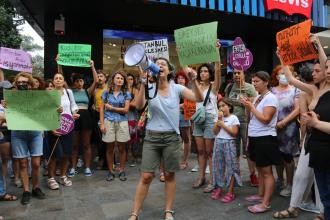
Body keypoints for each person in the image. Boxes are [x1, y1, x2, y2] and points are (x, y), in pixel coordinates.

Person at [128, 57, 203, 220]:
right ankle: (135, 213)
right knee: (146, 176)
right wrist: (142, 82)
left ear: (169, 71)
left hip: (171, 138)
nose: (160, 66)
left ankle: (168, 210)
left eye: (164, 64)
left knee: (169, 175)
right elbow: (139, 105)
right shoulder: (149, 86)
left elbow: (199, 98)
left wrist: (194, 81)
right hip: (151, 137)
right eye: (158, 64)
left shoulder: (177, 88)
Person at [277, 37, 329, 219]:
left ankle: (324, 212)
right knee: (302, 175)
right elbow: (290, 78)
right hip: (311, 141)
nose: (315, 73)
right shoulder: (313, 90)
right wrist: (282, 58)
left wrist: (318, 46)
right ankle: (293, 207)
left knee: (322, 180)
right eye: (313, 71)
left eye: (319, 70)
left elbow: (325, 62)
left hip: (326, 142)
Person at [241, 71, 281, 213]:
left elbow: (265, 119)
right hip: (255, 136)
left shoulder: (271, 98)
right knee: (260, 168)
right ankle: (260, 194)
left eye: (257, 81)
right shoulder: (258, 97)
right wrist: (247, 106)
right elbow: (252, 117)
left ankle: (266, 203)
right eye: (253, 81)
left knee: (267, 172)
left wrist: (251, 107)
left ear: (266, 82)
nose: (254, 83)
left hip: (265, 138)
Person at [9, 73, 46, 204]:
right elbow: (7, 115)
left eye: (24, 82)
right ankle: (26, 190)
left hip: (35, 133)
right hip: (18, 134)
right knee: (23, 163)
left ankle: (36, 187)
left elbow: (46, 112)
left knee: (36, 164)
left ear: (30, 85)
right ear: (16, 84)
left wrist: (56, 110)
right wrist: (6, 107)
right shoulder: (11, 98)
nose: (21, 84)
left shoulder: (38, 97)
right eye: (19, 82)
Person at [192, 55, 221, 193]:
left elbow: (218, 71)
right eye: (201, 71)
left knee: (210, 152)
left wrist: (217, 55)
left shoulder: (214, 86)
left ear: (210, 74)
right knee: (201, 151)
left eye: (206, 71)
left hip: (210, 119)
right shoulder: (195, 85)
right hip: (198, 119)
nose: (203, 73)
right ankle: (201, 176)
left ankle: (212, 179)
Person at [225, 69, 258, 186]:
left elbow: (254, 104)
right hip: (232, 122)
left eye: (239, 73)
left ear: (244, 74)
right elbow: (226, 103)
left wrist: (247, 101)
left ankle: (253, 175)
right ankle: (235, 174)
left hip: (246, 122)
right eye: (234, 73)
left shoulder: (250, 88)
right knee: (233, 150)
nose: (236, 75)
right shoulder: (229, 87)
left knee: (248, 150)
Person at [270, 65, 300, 197]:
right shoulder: (271, 91)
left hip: (289, 129)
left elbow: (297, 109)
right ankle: (280, 180)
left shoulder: (295, 90)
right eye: (281, 74)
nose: (284, 76)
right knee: (277, 156)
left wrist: (284, 121)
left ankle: (290, 183)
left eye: (286, 73)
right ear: (276, 76)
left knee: (288, 157)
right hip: (273, 128)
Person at [46, 73, 79, 190]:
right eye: (56, 78)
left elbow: (74, 105)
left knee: (66, 152)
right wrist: (51, 128)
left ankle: (63, 176)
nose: (58, 80)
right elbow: (45, 111)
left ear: (64, 80)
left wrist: (74, 112)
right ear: (53, 81)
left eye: (61, 78)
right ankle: (50, 178)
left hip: (68, 126)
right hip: (54, 126)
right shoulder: (49, 94)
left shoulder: (68, 92)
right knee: (55, 154)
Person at [67, 60, 98, 177]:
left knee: (86, 144)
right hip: (74, 117)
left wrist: (92, 66)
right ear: (73, 82)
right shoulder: (69, 91)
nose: (79, 82)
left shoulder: (87, 91)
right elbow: (63, 81)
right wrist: (59, 64)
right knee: (74, 145)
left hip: (86, 118)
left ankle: (87, 167)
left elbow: (96, 80)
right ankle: (73, 167)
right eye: (77, 80)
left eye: (81, 80)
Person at [99, 70, 131, 181]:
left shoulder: (127, 93)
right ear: (113, 79)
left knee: (122, 148)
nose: (120, 80)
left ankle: (121, 170)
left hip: (122, 121)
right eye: (117, 78)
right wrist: (102, 123)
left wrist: (112, 108)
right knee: (109, 148)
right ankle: (111, 171)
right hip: (108, 121)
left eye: (122, 78)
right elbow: (102, 109)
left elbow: (126, 110)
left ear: (124, 81)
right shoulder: (106, 93)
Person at [211, 98, 242, 203]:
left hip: (229, 143)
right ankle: (219, 188)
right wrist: (218, 121)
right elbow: (215, 132)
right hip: (218, 142)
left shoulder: (234, 118)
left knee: (231, 168)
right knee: (218, 166)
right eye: (219, 106)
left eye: (223, 105)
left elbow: (234, 133)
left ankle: (230, 191)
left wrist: (223, 125)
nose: (221, 108)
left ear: (229, 106)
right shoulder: (218, 117)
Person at [174, 70, 192, 170]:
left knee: (186, 139)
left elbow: (190, 104)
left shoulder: (187, 90)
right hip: (173, 117)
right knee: (174, 139)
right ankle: (175, 159)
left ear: (186, 80)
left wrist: (178, 106)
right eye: (179, 78)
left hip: (185, 117)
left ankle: (184, 160)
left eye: (183, 78)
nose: (180, 80)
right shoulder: (172, 90)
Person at [91, 70, 108, 170]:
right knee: (99, 140)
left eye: (101, 76)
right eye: (98, 76)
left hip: (107, 115)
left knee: (108, 139)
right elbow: (94, 102)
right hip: (97, 115)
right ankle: (102, 159)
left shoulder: (109, 89)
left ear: (105, 78)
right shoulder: (95, 90)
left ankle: (109, 162)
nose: (100, 78)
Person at [127, 73, 140, 167]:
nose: (129, 80)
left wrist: (124, 104)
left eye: (131, 79)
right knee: (123, 139)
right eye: (127, 79)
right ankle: (125, 157)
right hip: (122, 117)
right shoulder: (121, 90)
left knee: (133, 139)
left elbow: (136, 104)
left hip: (132, 117)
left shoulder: (135, 90)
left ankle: (134, 158)